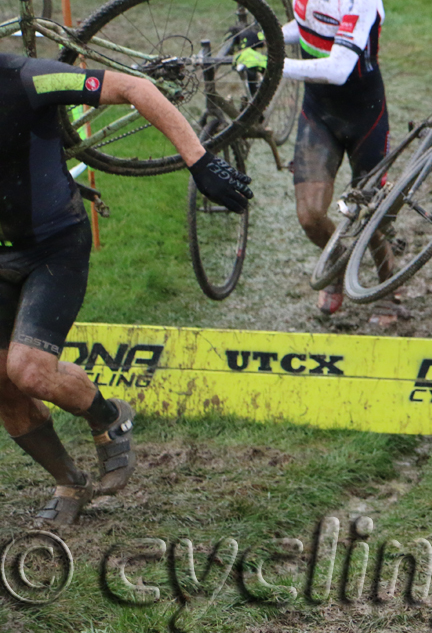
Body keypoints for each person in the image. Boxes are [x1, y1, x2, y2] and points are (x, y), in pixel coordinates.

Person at [1, 54, 252, 529]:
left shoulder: (26, 78)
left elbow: (137, 88)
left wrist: (200, 163)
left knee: (29, 373)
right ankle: (70, 481)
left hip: (53, 246)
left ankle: (108, 416)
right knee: (4, 387)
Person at [238, 0, 396, 324]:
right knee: (310, 216)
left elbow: (340, 67)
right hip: (319, 111)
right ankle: (339, 265)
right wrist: (268, 34)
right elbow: (305, 27)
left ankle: (386, 288)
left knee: (374, 216)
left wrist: (273, 64)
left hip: (364, 111)